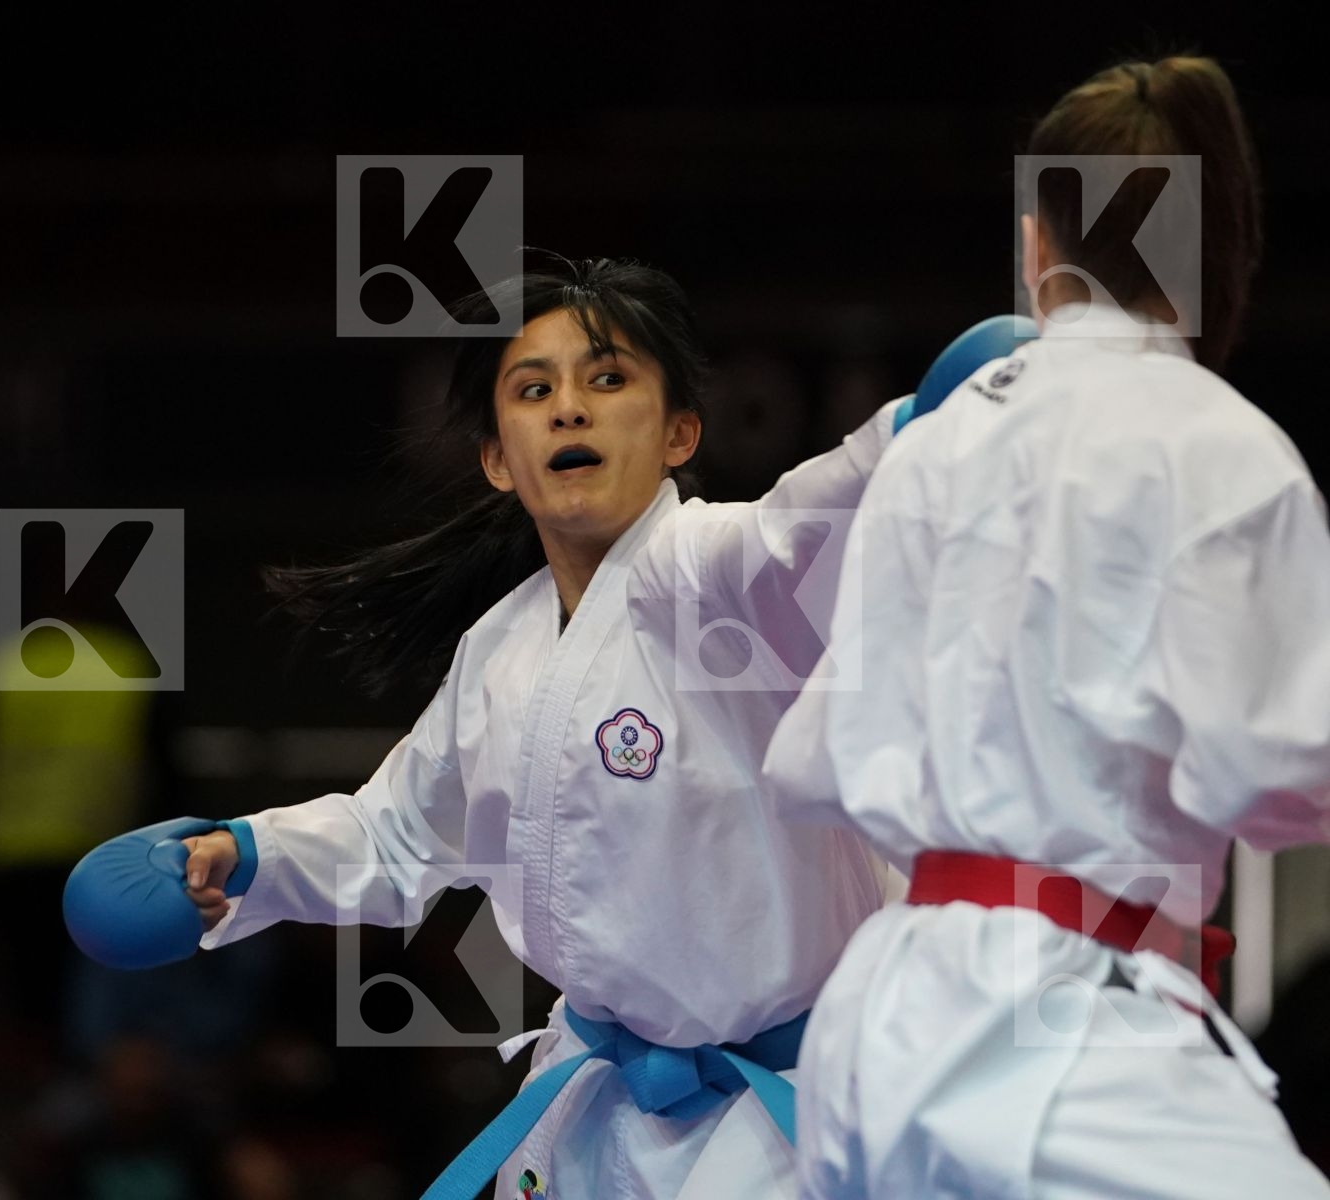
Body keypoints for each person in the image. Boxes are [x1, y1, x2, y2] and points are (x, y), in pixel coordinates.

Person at [67, 253, 1003, 1197]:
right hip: (598, 1100)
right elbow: (393, 833)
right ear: (495, 458)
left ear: (681, 433)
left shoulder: (724, 579)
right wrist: (246, 856)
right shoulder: (500, 652)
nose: (569, 408)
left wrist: (917, 434)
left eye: (609, 379)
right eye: (533, 388)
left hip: (785, 1106)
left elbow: (806, 522)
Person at [763, 56, 1330, 1199]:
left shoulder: (930, 445)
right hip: (1051, 1022)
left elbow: (806, 758)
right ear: (1223, 257)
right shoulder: (1221, 449)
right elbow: (1277, 779)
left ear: (1037, 248)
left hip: (878, 1018)